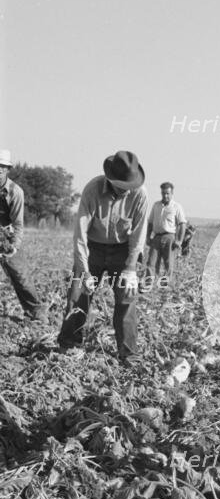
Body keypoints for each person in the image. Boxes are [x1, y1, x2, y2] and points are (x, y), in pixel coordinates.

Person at [57, 150, 148, 364]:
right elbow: (80, 234)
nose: (127, 190)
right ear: (111, 179)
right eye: (123, 186)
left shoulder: (140, 194)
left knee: (126, 298)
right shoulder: (92, 190)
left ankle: (129, 354)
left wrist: (131, 268)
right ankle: (68, 344)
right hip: (94, 248)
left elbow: (138, 233)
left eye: (130, 186)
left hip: (123, 250)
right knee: (78, 292)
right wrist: (84, 270)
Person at [0, 149, 47, 322]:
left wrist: (13, 247)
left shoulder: (15, 192)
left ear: (7, 169)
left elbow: (18, 224)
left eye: (2, 167)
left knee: (20, 276)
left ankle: (36, 312)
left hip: (7, 236)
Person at [145, 182, 186, 285]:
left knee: (168, 263)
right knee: (151, 261)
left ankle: (165, 285)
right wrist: (148, 237)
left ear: (172, 194)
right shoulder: (156, 205)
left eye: (167, 193)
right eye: (163, 193)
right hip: (156, 237)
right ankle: (149, 282)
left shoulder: (176, 207)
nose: (165, 196)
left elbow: (182, 225)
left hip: (170, 237)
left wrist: (179, 241)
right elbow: (150, 222)